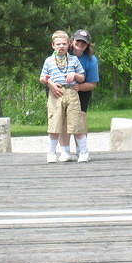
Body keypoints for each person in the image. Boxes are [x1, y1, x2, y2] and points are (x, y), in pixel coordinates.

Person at [39, 30, 85, 163]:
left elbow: (82, 77)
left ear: (69, 44)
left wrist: (75, 76)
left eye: (64, 44)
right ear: (53, 45)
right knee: (55, 123)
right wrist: (47, 81)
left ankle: (83, 152)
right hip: (56, 93)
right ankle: (52, 153)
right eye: (58, 44)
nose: (61, 46)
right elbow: (42, 77)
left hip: (71, 92)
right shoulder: (48, 61)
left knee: (75, 122)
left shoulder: (74, 60)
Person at [62, 29, 99, 162]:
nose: (80, 44)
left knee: (80, 120)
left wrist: (78, 87)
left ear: (88, 45)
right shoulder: (63, 53)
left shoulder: (91, 60)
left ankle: (81, 150)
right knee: (64, 120)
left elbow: (92, 84)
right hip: (62, 90)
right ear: (72, 41)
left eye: (84, 42)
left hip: (82, 92)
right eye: (78, 41)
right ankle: (65, 151)